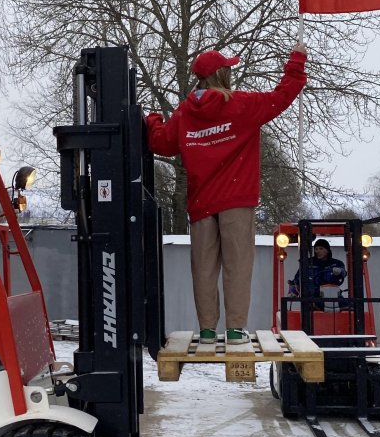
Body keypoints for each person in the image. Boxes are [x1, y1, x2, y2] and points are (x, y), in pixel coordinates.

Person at [147, 42, 307, 345]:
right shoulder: (242, 105)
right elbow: (283, 96)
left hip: (201, 202)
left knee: (204, 268)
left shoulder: (185, 113)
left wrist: (153, 119)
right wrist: (296, 62)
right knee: (237, 265)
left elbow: (160, 144)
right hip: (236, 200)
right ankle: (235, 330)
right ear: (222, 74)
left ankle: (207, 330)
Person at [290, 238, 347, 304]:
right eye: (316, 249)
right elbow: (297, 279)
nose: (318, 251)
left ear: (327, 250)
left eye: (321, 248)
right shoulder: (308, 263)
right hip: (313, 298)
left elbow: (343, 273)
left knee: (349, 307)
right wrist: (293, 291)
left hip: (332, 295)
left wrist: (340, 271)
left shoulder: (336, 263)